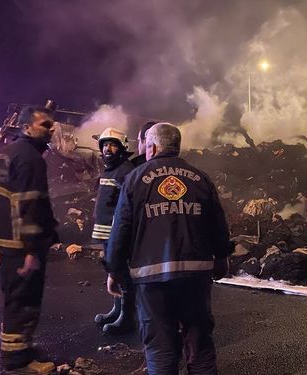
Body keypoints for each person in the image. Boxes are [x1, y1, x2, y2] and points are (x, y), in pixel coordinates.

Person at [105, 122, 232, 375]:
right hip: (195, 277)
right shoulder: (200, 178)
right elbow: (218, 224)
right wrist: (222, 258)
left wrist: (115, 271)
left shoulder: (134, 179)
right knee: (200, 344)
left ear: (151, 146)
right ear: (177, 146)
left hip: (151, 279)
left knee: (160, 348)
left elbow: (120, 231)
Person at [0, 105, 59, 374]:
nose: (51, 129)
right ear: (26, 126)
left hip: (8, 242)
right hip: (22, 246)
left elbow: (2, 203)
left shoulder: (7, 153)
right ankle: (17, 362)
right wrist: (31, 249)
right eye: (44, 124)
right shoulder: (30, 158)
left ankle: (18, 349)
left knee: (14, 299)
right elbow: (28, 205)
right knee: (24, 302)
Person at [91, 127, 136, 334]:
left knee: (122, 273)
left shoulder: (125, 170)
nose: (108, 149)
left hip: (117, 233)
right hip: (106, 232)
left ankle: (127, 318)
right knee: (113, 271)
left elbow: (126, 206)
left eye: (113, 144)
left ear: (122, 147)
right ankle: (116, 310)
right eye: (105, 145)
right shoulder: (110, 169)